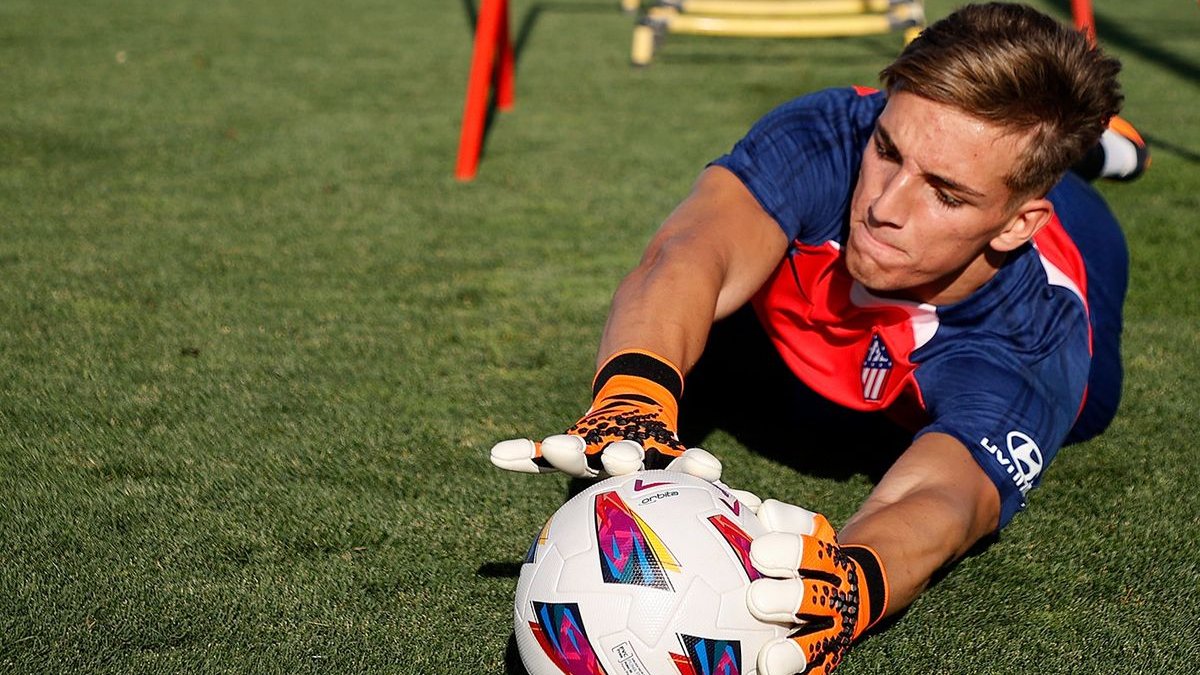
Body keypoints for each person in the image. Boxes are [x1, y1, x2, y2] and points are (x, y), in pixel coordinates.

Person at [491, 3, 1147, 674]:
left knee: (1076, 347)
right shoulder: (833, 130)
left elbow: (945, 499)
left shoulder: (1036, 337)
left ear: (1014, 225)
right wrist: (633, 395)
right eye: (888, 151)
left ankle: (1094, 152)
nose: (885, 206)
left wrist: (854, 581)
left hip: (1071, 251)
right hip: (811, 336)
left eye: (945, 194)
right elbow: (688, 252)